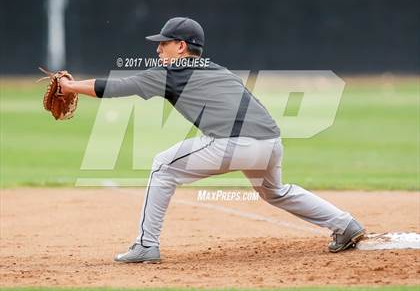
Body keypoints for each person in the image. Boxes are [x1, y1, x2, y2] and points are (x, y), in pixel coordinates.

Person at [59, 17, 365, 263]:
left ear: (180, 46)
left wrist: (70, 87)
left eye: (163, 44)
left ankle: (145, 245)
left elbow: (115, 87)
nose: (158, 50)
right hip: (271, 142)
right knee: (275, 192)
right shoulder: (218, 70)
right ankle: (345, 224)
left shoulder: (170, 72)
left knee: (162, 166)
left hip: (234, 144)